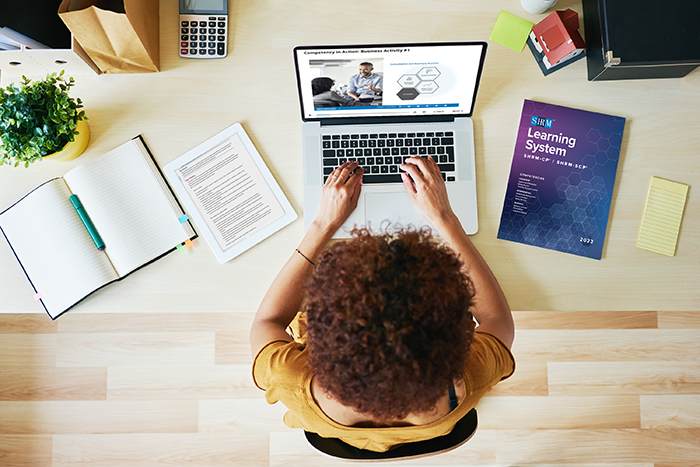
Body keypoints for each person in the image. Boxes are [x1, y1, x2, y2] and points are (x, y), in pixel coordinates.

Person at [250, 157, 515, 452]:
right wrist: (444, 217)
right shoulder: (468, 379)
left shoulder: (289, 377)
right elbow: (497, 318)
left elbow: (268, 321)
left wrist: (323, 224)